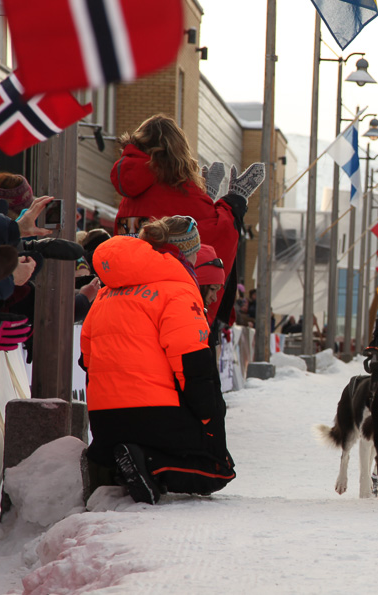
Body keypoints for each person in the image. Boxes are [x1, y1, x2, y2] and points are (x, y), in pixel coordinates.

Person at [81, 216, 235, 504]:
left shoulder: (106, 291)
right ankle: (148, 462)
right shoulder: (178, 288)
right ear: (187, 253)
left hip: (103, 418)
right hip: (153, 412)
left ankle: (122, 465)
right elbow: (193, 365)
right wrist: (211, 422)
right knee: (218, 469)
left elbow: (86, 359)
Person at [110, 114, 264, 323]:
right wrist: (235, 200)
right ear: (178, 151)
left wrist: (206, 197)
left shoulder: (129, 197)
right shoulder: (180, 189)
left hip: (128, 303)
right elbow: (213, 237)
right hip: (170, 309)